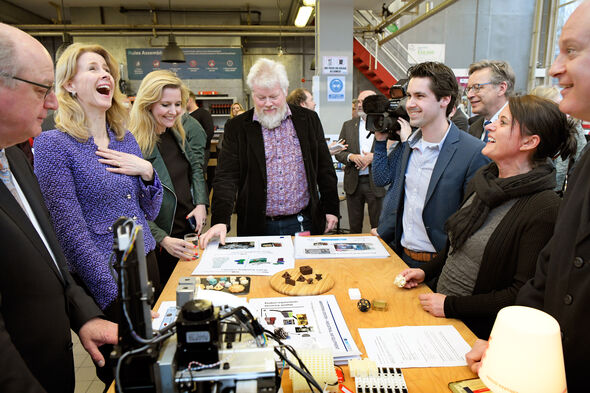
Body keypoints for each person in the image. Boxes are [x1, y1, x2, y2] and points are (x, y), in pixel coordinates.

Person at [466, 2, 590, 390]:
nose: (554, 68)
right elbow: (552, 267)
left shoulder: (542, 203)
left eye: (571, 51)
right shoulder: (586, 161)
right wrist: (505, 343)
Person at [398, 95, 576, 339]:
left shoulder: (544, 208)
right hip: (442, 315)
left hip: (477, 333)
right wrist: (426, 272)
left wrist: (451, 305)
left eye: (502, 123)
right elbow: (456, 248)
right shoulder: (485, 180)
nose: (489, 126)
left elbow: (519, 292)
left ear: (529, 142)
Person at [0, 23, 117, 393]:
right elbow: (72, 232)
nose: (50, 103)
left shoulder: (16, 157)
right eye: (40, 90)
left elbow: (49, 252)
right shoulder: (52, 146)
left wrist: (83, 316)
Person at [33, 43, 163, 316]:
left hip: (146, 260)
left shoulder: (124, 139)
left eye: (107, 70)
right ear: (69, 84)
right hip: (105, 272)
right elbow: (69, 234)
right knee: (124, 358)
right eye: (93, 69)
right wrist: (116, 296)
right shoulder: (54, 144)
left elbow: (149, 210)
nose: (106, 75)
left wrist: (148, 173)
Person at [200, 58, 339, 247]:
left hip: (304, 221)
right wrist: (219, 220)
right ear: (252, 94)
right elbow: (226, 178)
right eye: (261, 97)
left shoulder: (309, 120)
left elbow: (324, 167)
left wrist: (331, 208)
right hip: (257, 225)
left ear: (285, 91)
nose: (267, 104)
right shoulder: (237, 127)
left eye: (273, 97)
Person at [373, 62, 489, 268]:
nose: (409, 104)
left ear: (445, 100)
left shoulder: (473, 153)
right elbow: (406, 203)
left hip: (443, 267)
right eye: (409, 96)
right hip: (401, 258)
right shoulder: (408, 145)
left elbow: (472, 225)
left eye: (420, 96)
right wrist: (382, 233)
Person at [130, 70, 208, 284]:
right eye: (166, 105)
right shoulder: (134, 145)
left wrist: (201, 203)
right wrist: (162, 239)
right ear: (148, 104)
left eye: (178, 104)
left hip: (188, 234)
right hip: (162, 245)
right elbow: (131, 208)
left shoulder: (176, 132)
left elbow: (195, 169)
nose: (174, 111)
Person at [335, 90, 385, 233]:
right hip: (353, 183)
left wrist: (374, 157)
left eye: (365, 101)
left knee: (378, 227)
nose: (360, 105)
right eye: (359, 101)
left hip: (376, 182)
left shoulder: (384, 124)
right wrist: (351, 156)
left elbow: (393, 152)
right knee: (354, 228)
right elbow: (339, 152)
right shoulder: (348, 125)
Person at [530, 84, 586, 192]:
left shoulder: (571, 126)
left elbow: (581, 161)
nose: (563, 110)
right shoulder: (527, 129)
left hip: (556, 193)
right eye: (557, 106)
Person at [467, 60, 515, 141]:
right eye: (468, 89)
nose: (469, 95)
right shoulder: (474, 128)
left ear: (501, 88)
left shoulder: (519, 125)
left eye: (477, 87)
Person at [187, 90, 214, 169]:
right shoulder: (184, 116)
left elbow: (209, 132)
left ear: (190, 100)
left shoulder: (204, 114)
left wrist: (200, 146)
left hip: (201, 151)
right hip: (188, 151)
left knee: (199, 173)